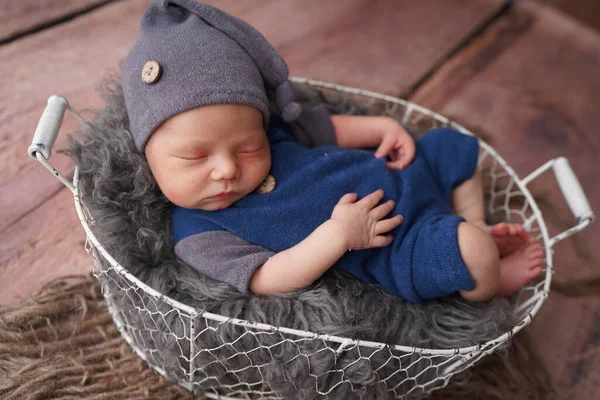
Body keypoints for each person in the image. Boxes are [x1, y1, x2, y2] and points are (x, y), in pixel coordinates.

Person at [122, 0, 543, 303]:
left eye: (248, 147)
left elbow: (327, 128)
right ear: (149, 157)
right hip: (398, 242)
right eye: (197, 157)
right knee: (468, 250)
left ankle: (474, 221)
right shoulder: (197, 231)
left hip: (403, 174)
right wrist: (338, 236)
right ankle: (489, 283)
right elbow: (269, 277)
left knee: (453, 147)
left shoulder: (276, 130)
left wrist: (380, 127)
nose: (228, 169)